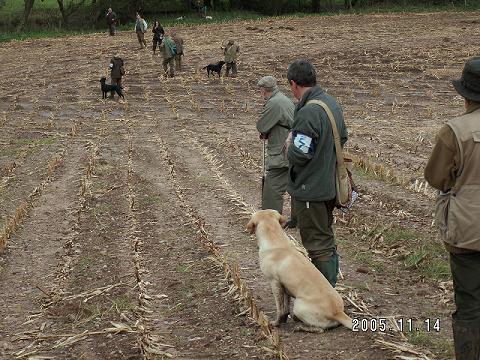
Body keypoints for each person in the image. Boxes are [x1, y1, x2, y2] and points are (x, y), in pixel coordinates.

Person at [424, 57, 480, 360]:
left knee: (470, 304)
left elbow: (436, 177)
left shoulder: (453, 131)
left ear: (465, 94)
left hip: (467, 231)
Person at [285, 59, 348, 288]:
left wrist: (288, 146)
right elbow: (342, 138)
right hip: (328, 185)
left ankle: (324, 298)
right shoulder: (331, 103)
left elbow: (300, 154)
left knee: (318, 244)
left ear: (293, 84)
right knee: (325, 236)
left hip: (310, 189)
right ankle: (327, 294)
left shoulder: (308, 112)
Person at [256, 76, 296, 225]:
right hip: (290, 149)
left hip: (282, 151)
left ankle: (270, 222)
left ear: (264, 90)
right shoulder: (282, 99)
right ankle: (296, 220)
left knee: (272, 187)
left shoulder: (274, 103)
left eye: (260, 90)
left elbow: (262, 125)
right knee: (294, 183)